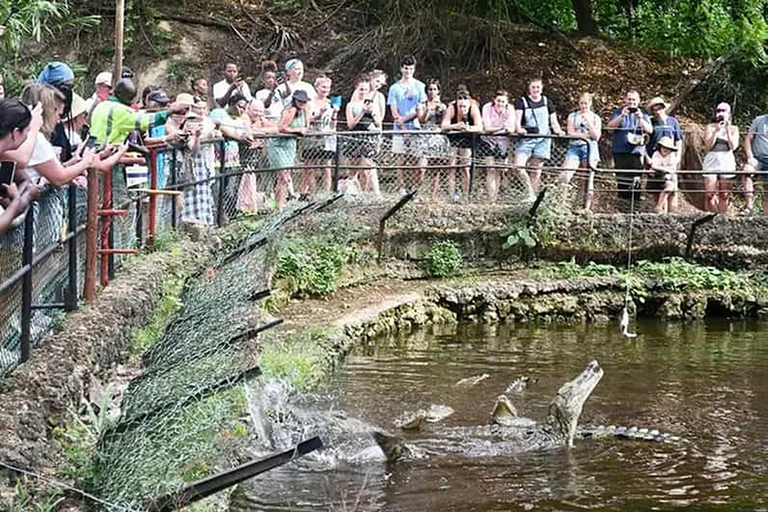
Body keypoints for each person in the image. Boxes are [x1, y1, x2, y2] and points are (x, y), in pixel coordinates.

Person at [166, 98, 217, 227]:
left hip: (185, 169)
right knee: (171, 202)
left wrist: (197, 136)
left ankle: (186, 227)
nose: (183, 117)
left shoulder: (188, 130)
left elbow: (192, 149)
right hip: (172, 168)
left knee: (187, 199)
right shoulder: (170, 126)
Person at [514, 78, 565, 200]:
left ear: (541, 88)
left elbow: (553, 122)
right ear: (529, 88)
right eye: (533, 87)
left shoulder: (547, 102)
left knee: (536, 170)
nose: (535, 90)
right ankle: (529, 192)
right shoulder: (522, 102)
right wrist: (519, 129)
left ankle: (533, 199)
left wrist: (558, 131)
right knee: (518, 166)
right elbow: (517, 121)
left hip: (543, 139)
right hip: (527, 138)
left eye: (538, 87)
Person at [90, 79, 176, 144]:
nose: (131, 102)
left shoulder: (101, 105)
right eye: (130, 98)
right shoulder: (119, 110)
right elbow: (144, 121)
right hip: (107, 151)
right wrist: (169, 112)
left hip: (95, 149)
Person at [388, 55, 427, 193]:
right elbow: (394, 110)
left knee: (417, 159)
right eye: (405, 68)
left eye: (410, 68)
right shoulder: (394, 88)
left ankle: (415, 187)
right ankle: (401, 187)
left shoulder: (420, 87)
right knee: (400, 158)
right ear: (401, 69)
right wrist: (403, 127)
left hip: (416, 127)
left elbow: (421, 107)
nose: (408, 71)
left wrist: (406, 119)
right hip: (399, 128)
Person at [607, 90, 653, 208]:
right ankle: (622, 208)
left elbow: (650, 130)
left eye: (634, 100)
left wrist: (640, 119)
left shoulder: (643, 113)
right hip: (620, 151)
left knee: (636, 181)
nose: (631, 102)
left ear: (638, 101)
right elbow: (609, 129)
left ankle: (635, 209)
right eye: (629, 99)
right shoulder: (618, 112)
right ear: (625, 100)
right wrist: (622, 116)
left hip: (636, 152)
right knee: (622, 181)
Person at [238, 99, 279, 213]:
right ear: (248, 109)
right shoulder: (244, 117)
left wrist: (259, 130)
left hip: (256, 154)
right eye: (256, 110)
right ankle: (242, 208)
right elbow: (247, 131)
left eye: (261, 111)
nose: (259, 114)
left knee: (257, 180)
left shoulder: (260, 119)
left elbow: (276, 128)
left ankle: (260, 206)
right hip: (242, 156)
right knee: (242, 181)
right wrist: (260, 131)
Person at [345, 74, 383, 197]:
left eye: (366, 89)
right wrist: (362, 112)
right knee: (353, 170)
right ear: (356, 88)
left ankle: (370, 194)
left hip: (369, 138)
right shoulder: (351, 105)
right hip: (355, 138)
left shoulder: (371, 104)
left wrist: (371, 113)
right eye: (361, 89)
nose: (363, 92)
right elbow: (350, 124)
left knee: (368, 166)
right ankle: (353, 193)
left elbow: (378, 123)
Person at [442, 89, 482, 201]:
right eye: (460, 106)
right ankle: (451, 195)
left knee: (465, 167)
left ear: (469, 104)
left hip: (468, 138)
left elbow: (480, 126)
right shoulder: (452, 108)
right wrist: (456, 126)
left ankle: (466, 196)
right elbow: (444, 125)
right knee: (452, 167)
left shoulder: (474, 108)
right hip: (454, 137)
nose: (462, 108)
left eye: (465, 106)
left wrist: (469, 128)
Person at [271, 90, 309, 209]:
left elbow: (306, 126)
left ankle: (280, 205)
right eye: (299, 100)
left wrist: (303, 129)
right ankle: (279, 207)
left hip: (290, 145)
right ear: (295, 100)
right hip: (279, 145)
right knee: (283, 177)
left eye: (304, 101)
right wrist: (297, 131)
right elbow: (281, 128)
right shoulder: (291, 110)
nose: (302, 103)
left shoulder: (305, 110)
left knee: (286, 177)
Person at [302, 75, 338, 195]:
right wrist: (319, 114)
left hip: (327, 137)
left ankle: (326, 194)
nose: (326, 89)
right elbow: (307, 120)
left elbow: (333, 125)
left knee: (327, 167)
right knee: (310, 167)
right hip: (312, 136)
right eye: (323, 87)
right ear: (316, 87)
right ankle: (313, 193)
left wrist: (335, 114)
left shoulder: (330, 103)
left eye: (328, 87)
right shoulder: (309, 103)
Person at [702, 103, 739, 214]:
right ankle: (710, 216)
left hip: (726, 159)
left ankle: (722, 218)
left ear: (729, 113)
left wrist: (727, 130)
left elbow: (734, 147)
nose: (720, 113)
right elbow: (708, 146)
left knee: (724, 193)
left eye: (723, 111)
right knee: (709, 193)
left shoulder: (733, 129)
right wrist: (716, 132)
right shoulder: (710, 127)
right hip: (712, 159)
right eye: (718, 111)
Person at [417, 78, 450, 198]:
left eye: (435, 89)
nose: (432, 91)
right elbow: (421, 120)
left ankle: (433, 195)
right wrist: (428, 109)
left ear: (438, 91)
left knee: (436, 169)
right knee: (421, 168)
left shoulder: (443, 106)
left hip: (437, 137)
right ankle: (418, 193)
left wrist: (439, 108)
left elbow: (444, 122)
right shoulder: (421, 104)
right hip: (424, 136)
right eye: (430, 89)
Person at [481, 90, 515, 202]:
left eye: (503, 101)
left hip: (503, 143)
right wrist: (501, 128)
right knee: (490, 168)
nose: (500, 103)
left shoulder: (510, 109)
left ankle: (496, 198)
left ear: (507, 102)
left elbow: (511, 128)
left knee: (499, 170)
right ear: (494, 100)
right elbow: (487, 127)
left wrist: (500, 129)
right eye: (498, 100)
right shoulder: (487, 108)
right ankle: (491, 200)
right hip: (488, 141)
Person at [562, 93, 601, 184]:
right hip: (574, 147)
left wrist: (589, 123)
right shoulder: (572, 116)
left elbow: (596, 136)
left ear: (590, 103)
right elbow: (570, 133)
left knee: (587, 180)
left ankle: (585, 198)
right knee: (565, 175)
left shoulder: (596, 118)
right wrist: (586, 136)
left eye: (585, 103)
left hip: (590, 148)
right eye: (581, 103)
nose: (583, 106)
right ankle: (562, 197)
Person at [741, 111, 768, 216]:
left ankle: (765, 220)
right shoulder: (759, 120)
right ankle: (749, 207)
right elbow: (748, 138)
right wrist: (750, 156)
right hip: (758, 158)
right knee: (746, 170)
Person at [647, 137, 678, 214]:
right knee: (657, 195)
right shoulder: (656, 154)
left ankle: (659, 207)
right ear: (660, 147)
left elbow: (673, 168)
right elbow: (654, 166)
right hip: (655, 177)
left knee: (669, 187)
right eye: (663, 147)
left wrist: (664, 169)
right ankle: (661, 212)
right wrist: (665, 169)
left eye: (668, 148)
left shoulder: (672, 156)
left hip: (667, 178)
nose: (665, 149)